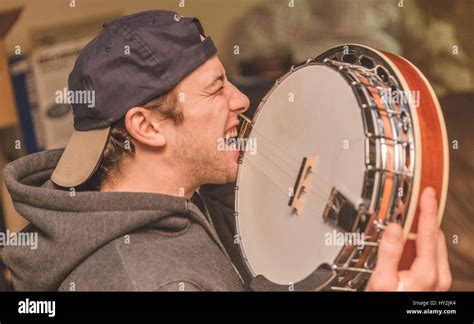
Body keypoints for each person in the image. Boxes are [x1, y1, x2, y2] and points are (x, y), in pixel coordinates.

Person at [2, 10, 451, 291]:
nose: (240, 100)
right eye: (216, 89)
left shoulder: (176, 198)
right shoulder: (149, 280)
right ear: (148, 126)